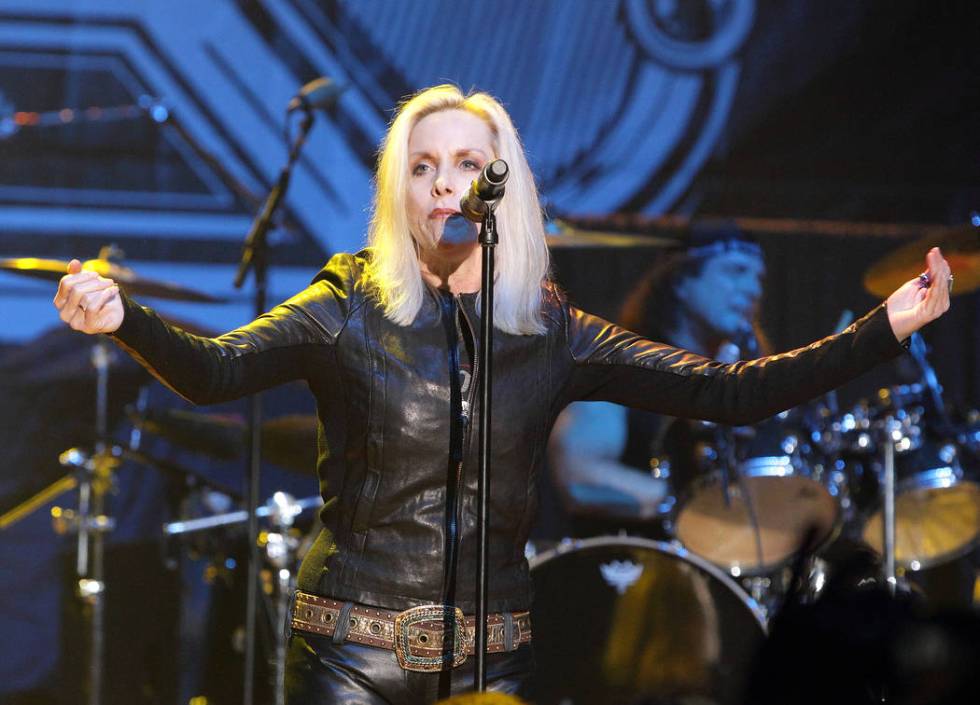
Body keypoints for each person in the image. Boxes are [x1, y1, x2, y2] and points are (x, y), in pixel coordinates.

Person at [52, 84, 951, 704]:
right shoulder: (346, 302)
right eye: (422, 164)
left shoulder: (547, 328)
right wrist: (125, 316)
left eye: (466, 163)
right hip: (349, 654)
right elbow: (214, 370)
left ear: (500, 184)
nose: (444, 180)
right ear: (400, 189)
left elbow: (731, 393)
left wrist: (886, 328)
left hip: (495, 653)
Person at [547, 223, 768, 537]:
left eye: (758, 278)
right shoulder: (621, 364)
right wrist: (694, 508)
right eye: (736, 271)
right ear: (681, 282)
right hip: (636, 569)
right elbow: (579, 475)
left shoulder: (744, 375)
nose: (753, 290)